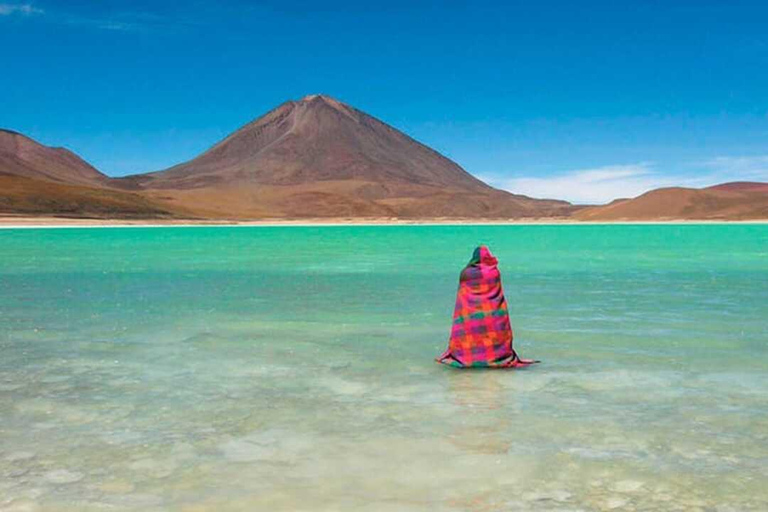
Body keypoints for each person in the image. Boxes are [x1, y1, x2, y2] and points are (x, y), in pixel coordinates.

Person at [436, 246, 539, 368]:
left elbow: (463, 297)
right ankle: (495, 357)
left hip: (470, 316)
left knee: (470, 331)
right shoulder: (493, 272)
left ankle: (467, 358)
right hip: (491, 315)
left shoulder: (465, 273)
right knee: (492, 332)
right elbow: (495, 294)